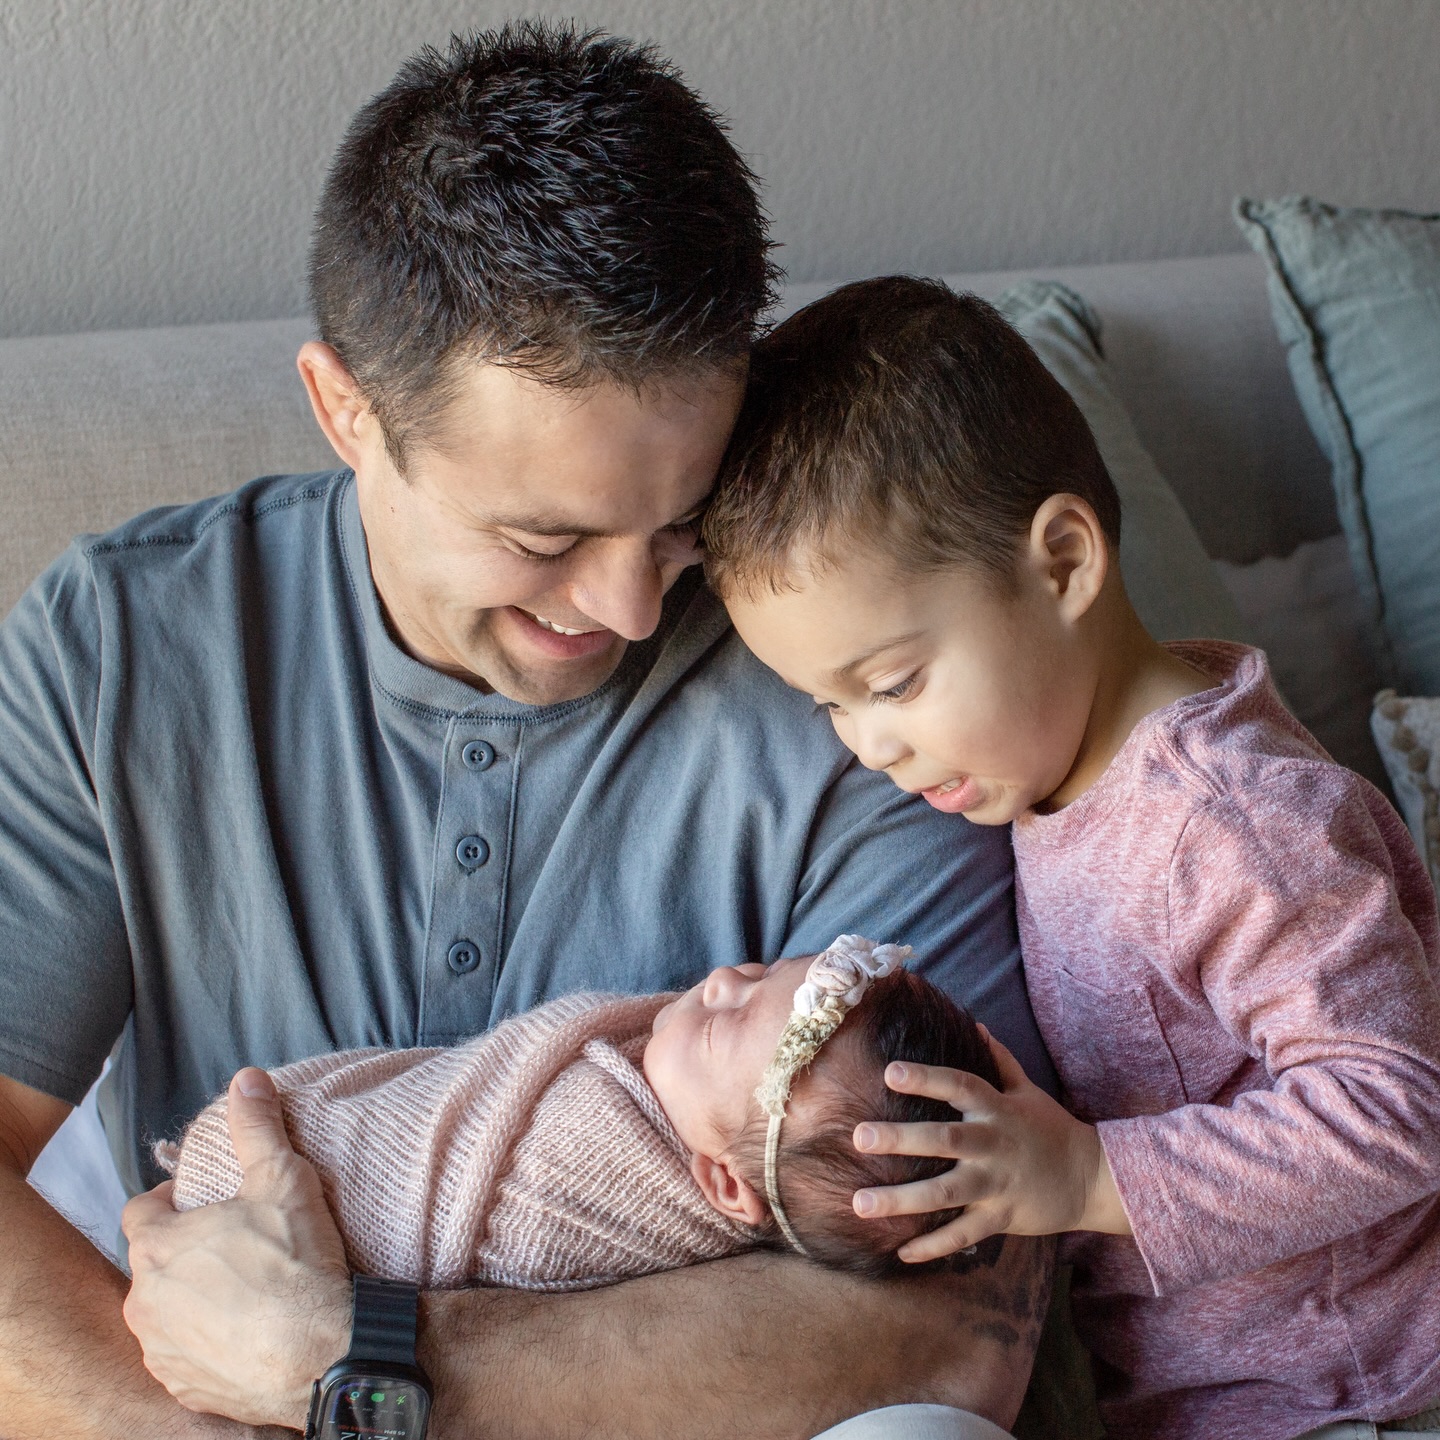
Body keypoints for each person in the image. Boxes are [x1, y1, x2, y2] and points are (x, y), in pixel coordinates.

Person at [0, 28, 1054, 1440]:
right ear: (347, 412)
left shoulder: (862, 683)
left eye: (677, 517)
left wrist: (355, 1363)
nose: (628, 607)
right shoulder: (121, 648)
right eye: (541, 534)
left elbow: (959, 1320)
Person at [702, 274, 1440, 1440]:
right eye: (828, 706)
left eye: (892, 683)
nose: (872, 745)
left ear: (1061, 561)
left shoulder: (1232, 822)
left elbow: (1398, 1107)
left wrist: (1091, 1178)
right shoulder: (1052, 775)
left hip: (1364, 1393)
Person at [162, 940, 1002, 1287]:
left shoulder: (585, 1171)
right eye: (762, 968)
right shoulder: (691, 1096)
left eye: (724, 1020)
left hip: (280, 1197)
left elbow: (492, 1217)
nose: (718, 980)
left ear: (721, 1184)